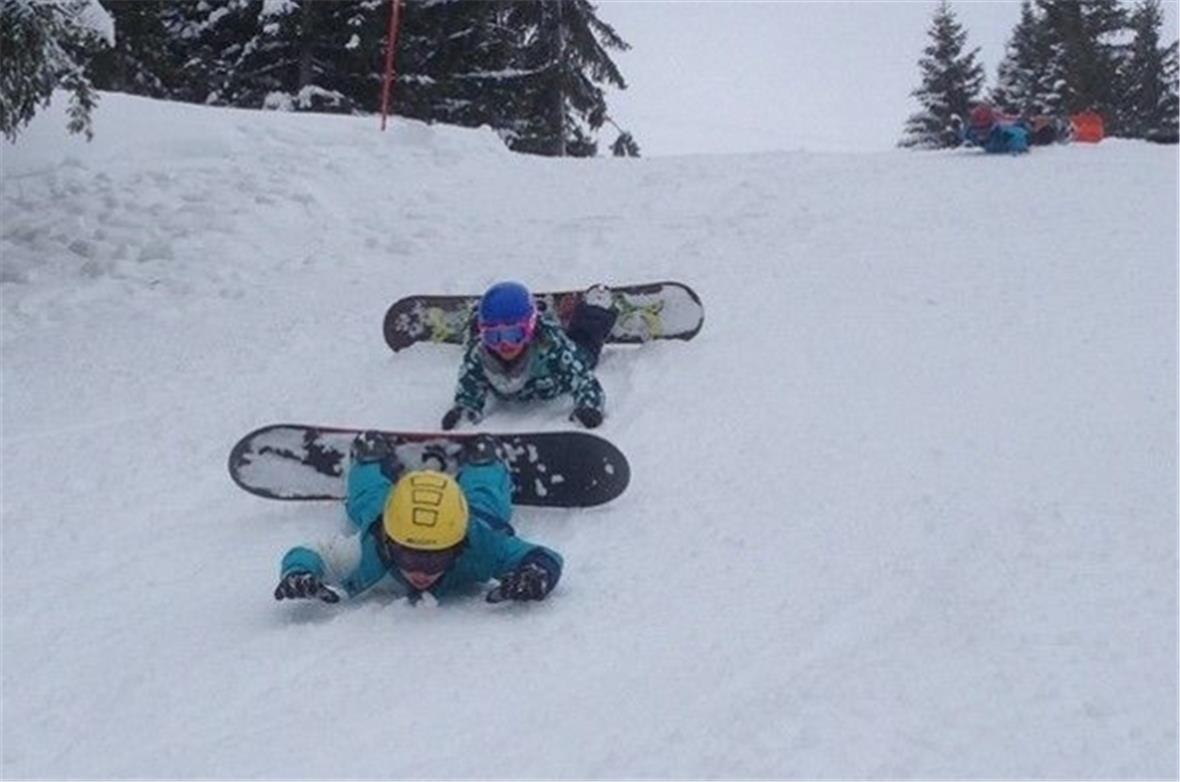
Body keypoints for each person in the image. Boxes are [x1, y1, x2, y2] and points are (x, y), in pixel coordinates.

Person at [273, 432, 562, 605]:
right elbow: (315, 554)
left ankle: (486, 462)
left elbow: (543, 557)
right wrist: (299, 572)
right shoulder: (368, 551)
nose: (421, 572)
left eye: (436, 559)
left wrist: (536, 575)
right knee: (370, 498)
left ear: (460, 546)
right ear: (389, 542)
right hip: (386, 510)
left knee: (485, 502)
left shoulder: (481, 543)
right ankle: (368, 459)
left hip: (468, 516)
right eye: (409, 557)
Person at [441, 281, 617, 431]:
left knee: (586, 352)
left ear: (530, 329)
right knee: (478, 337)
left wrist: (588, 406)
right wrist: (465, 409)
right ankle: (477, 316)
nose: (504, 345)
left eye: (514, 335)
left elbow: (584, 380)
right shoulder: (479, 354)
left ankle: (594, 311)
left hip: (553, 377)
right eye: (494, 336)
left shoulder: (553, 347)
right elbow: (470, 385)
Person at [963, 103, 1030, 155]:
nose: (981, 132)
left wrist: (1018, 148)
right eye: (977, 128)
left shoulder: (1007, 134)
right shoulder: (970, 133)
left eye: (985, 127)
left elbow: (1018, 137)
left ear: (993, 126)